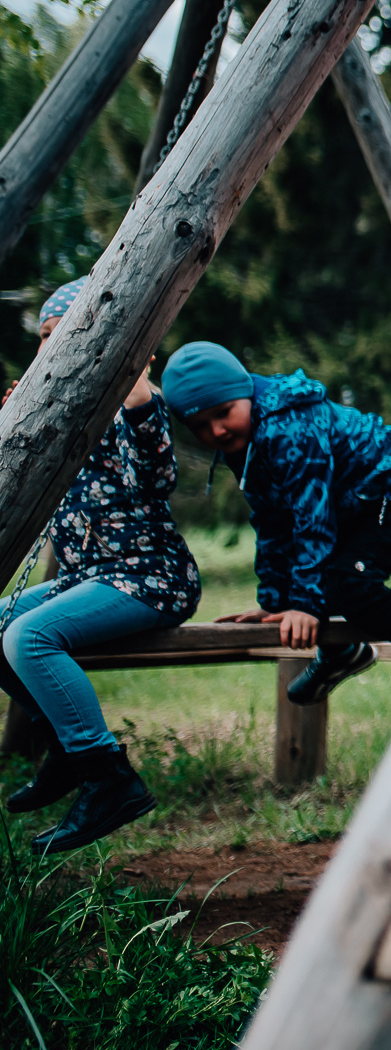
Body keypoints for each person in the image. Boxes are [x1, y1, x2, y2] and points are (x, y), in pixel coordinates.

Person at [0, 279, 201, 854]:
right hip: (90, 578)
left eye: (65, 336)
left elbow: (161, 479)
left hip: (152, 577)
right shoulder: (50, 410)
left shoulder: (133, 404)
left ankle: (108, 777)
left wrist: (137, 392)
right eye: (43, 337)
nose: (50, 349)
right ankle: (65, 747)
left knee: (30, 637)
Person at [161, 343, 391, 704]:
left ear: (243, 392)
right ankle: (344, 653)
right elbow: (271, 520)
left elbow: (310, 514)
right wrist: (276, 601)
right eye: (200, 426)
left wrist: (305, 606)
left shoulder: (287, 426)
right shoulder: (245, 442)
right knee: (329, 581)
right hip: (354, 501)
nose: (217, 431)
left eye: (223, 412)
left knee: (345, 582)